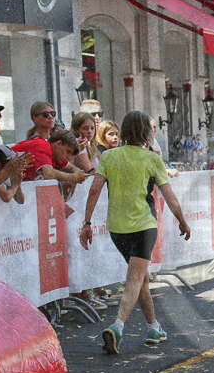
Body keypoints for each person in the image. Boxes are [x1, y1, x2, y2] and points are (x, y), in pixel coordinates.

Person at [79, 110, 191, 353]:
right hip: (143, 224)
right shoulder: (151, 159)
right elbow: (169, 196)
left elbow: (94, 190)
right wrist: (182, 220)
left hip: (117, 228)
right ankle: (117, 327)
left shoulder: (108, 157)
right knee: (135, 278)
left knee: (141, 277)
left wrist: (87, 223)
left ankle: (153, 327)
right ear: (146, 132)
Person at [13, 129, 89, 186]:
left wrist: (78, 175)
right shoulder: (43, 145)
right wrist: (73, 177)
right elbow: (48, 174)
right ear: (58, 144)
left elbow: (72, 168)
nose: (68, 157)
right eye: (68, 152)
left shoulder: (55, 156)